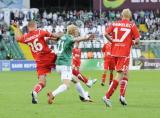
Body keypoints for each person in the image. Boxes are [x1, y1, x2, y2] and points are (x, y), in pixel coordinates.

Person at [15, 20, 61, 104]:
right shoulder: (40, 31)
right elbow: (55, 36)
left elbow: (17, 38)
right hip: (49, 56)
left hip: (39, 61)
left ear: (28, 27)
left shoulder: (26, 37)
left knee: (42, 82)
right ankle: (77, 81)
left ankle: (35, 92)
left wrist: (16, 28)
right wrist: (60, 35)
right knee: (66, 67)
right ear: (35, 25)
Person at [47, 24, 95, 104]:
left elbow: (55, 38)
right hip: (65, 64)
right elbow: (77, 39)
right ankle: (53, 94)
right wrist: (86, 37)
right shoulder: (70, 38)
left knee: (75, 80)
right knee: (66, 85)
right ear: (72, 31)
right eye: (76, 30)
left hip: (58, 65)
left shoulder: (62, 37)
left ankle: (85, 97)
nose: (77, 31)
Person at [102, 8, 140, 108]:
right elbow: (137, 39)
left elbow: (105, 34)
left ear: (121, 15)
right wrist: (130, 42)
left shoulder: (114, 23)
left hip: (114, 52)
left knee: (126, 72)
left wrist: (113, 41)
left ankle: (122, 96)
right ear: (130, 16)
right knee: (119, 75)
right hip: (124, 53)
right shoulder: (132, 25)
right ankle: (107, 96)